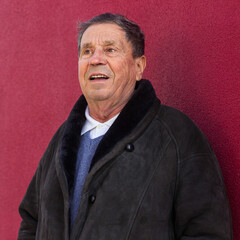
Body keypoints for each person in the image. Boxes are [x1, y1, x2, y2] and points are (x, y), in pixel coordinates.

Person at [17, 13, 233, 240]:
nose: (95, 60)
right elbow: (31, 221)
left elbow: (207, 232)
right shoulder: (61, 140)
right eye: (87, 51)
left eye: (110, 50)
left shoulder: (177, 136)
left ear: (139, 66)